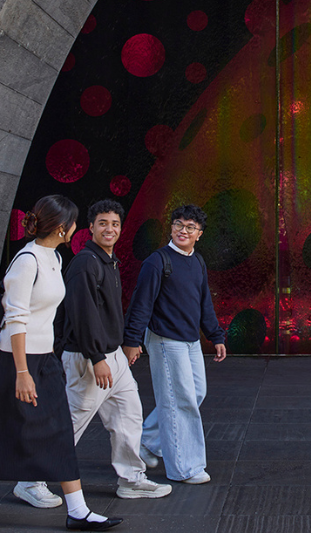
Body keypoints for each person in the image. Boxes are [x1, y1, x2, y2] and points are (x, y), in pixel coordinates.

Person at [0, 195, 123, 533]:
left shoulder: (53, 257)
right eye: (72, 223)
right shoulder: (27, 261)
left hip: (45, 361)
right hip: (14, 365)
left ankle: (78, 510)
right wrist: (22, 373)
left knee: (60, 433)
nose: (74, 229)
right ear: (60, 227)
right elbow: (16, 320)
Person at [16, 200, 171, 503]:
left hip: (111, 356)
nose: (109, 229)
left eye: (114, 224)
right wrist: (98, 358)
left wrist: (125, 345)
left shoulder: (108, 261)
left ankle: (131, 480)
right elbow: (82, 314)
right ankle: (30, 480)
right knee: (71, 421)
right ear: (90, 227)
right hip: (88, 358)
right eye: (102, 223)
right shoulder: (86, 263)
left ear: (121, 228)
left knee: (129, 415)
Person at [121, 204, 226, 485]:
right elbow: (140, 305)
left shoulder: (197, 261)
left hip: (190, 341)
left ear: (199, 234)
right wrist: (132, 340)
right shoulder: (157, 261)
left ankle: (146, 442)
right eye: (178, 224)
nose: (183, 230)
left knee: (196, 394)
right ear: (171, 227)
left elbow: (204, 302)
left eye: (190, 227)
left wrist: (215, 335)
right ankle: (185, 467)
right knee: (179, 401)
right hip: (166, 341)